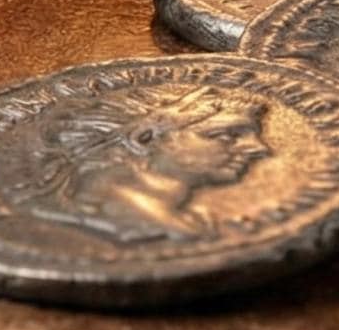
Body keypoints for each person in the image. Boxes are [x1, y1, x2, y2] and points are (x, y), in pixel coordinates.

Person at [20, 84, 272, 242]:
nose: (260, 149)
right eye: (226, 135)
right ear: (143, 138)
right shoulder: (135, 224)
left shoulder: (189, 220)